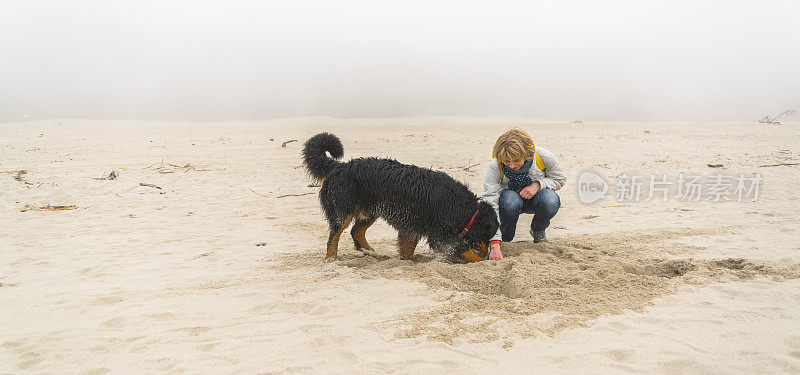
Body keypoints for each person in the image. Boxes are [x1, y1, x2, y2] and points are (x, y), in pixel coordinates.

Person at [481, 128, 566, 260]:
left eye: (516, 160)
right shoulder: (495, 166)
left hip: (537, 199)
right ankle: (506, 238)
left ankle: (538, 231)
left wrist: (537, 185)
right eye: (507, 162)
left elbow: (560, 179)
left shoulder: (543, 156)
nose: (512, 166)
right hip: (509, 203)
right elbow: (489, 202)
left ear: (526, 154)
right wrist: (494, 243)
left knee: (550, 199)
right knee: (510, 200)